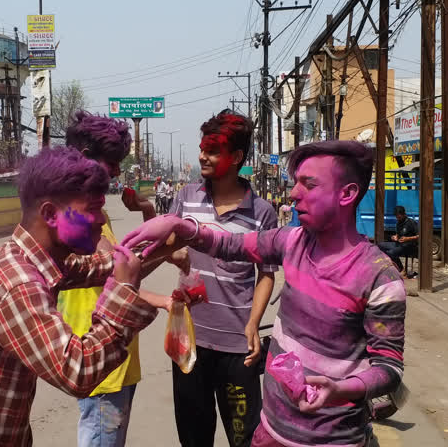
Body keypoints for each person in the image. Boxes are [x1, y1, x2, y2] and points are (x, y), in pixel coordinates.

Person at [123, 140, 406, 447]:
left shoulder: (379, 277)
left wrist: (343, 389)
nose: (294, 193)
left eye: (308, 184)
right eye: (296, 182)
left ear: (347, 194)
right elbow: (229, 245)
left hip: (334, 440)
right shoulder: (292, 240)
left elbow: (388, 368)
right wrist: (181, 227)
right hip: (270, 432)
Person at [0, 147, 157, 447]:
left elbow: (106, 267)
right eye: (92, 209)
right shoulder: (15, 279)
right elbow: (77, 371)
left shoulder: (41, 259)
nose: (100, 220)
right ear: (50, 214)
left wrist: (172, 235)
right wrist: (123, 294)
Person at [60, 112, 187, 447]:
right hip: (98, 356)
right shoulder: (76, 216)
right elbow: (117, 281)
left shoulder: (93, 210)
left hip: (116, 352)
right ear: (85, 159)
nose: (117, 172)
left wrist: (147, 211)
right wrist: (161, 296)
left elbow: (123, 271)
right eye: (112, 162)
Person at [166, 110, 278, 447]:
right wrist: (175, 253)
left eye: (213, 150)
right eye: (203, 148)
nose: (203, 156)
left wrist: (253, 324)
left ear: (237, 158)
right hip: (188, 342)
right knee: (194, 437)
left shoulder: (262, 213)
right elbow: (165, 246)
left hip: (237, 348)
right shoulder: (186, 197)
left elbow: (267, 275)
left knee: (243, 438)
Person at [377, 205, 419, 277]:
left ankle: (402, 270)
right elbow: (398, 234)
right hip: (399, 244)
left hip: (409, 245)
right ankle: (391, 266)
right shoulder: (398, 223)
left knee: (392, 252)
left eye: (399, 217)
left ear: (404, 214)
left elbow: (419, 236)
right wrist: (395, 237)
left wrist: (408, 238)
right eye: (396, 217)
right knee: (380, 245)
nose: (398, 218)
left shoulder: (411, 222)